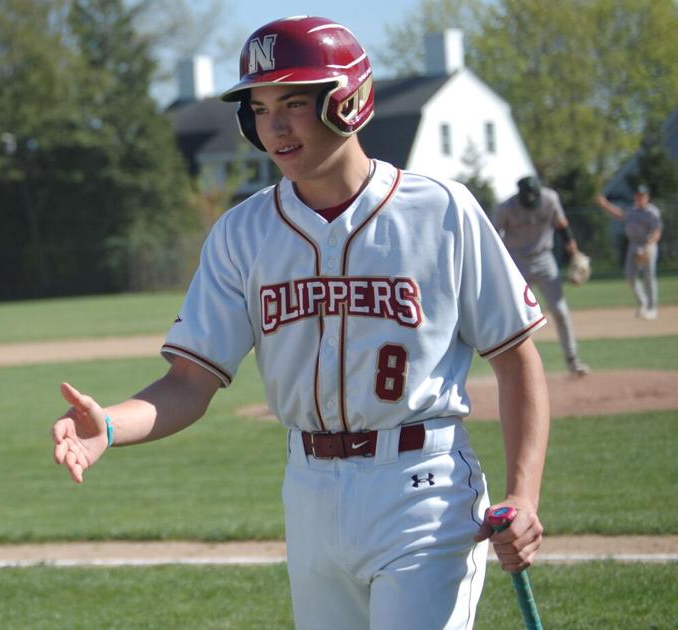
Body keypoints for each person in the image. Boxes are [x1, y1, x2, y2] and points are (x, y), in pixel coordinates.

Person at [50, 16, 549, 629]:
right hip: (308, 492)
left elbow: (515, 357)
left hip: (422, 486)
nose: (274, 126)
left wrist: (523, 497)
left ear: (349, 100)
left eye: (293, 102)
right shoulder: (242, 233)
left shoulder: (442, 211)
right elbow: (187, 384)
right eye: (259, 108)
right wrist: (107, 425)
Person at [493, 176, 590, 374]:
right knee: (515, 317)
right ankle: (516, 369)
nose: (530, 199)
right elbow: (492, 235)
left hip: (545, 259)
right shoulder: (505, 208)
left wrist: (575, 253)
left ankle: (572, 360)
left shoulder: (550, 199)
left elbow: (562, 226)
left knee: (561, 311)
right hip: (515, 262)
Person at [596, 185, 664, 319]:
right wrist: (605, 204)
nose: (640, 197)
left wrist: (649, 246)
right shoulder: (632, 211)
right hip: (634, 245)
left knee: (649, 277)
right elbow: (620, 215)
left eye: (642, 195)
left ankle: (652, 308)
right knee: (630, 277)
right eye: (638, 195)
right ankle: (642, 301)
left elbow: (657, 231)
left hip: (648, 245)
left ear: (647, 197)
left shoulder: (652, 212)